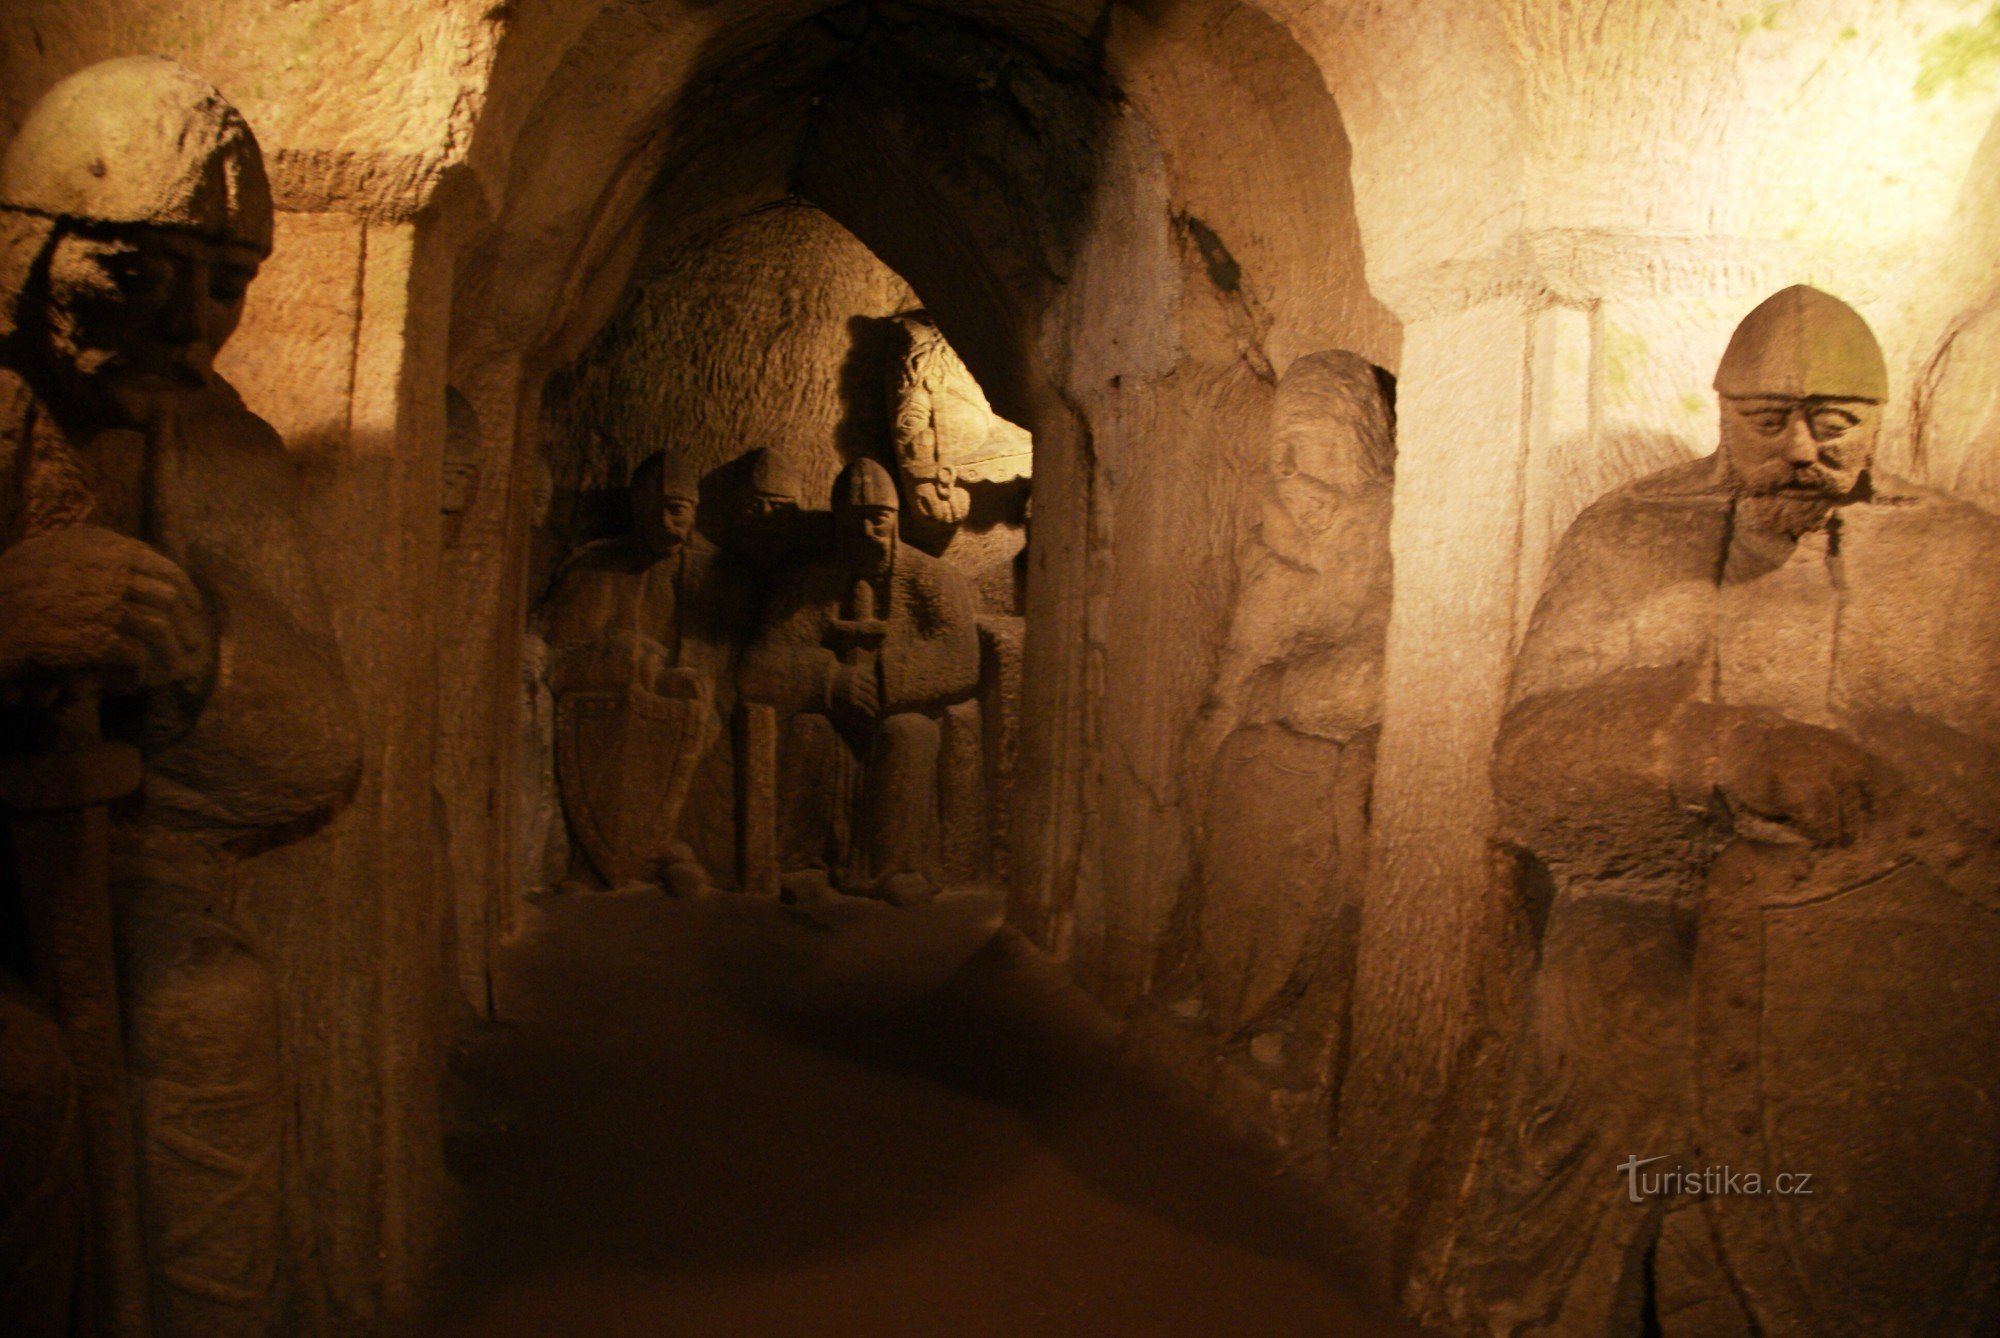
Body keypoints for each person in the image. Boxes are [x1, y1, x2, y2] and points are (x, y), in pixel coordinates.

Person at [1450, 286, 2000, 1335]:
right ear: (1722, 413)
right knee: (1622, 1051)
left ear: (1877, 421)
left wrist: (1906, 768)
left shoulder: (1962, 553)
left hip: (1890, 907)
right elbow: (1529, 755)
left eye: (1833, 425)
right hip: (1653, 891)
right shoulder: (1629, 533)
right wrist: (1720, 750)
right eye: (1767, 422)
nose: (1799, 451)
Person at [0, 57, 360, 1335]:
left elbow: (316, 753)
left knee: (206, 1021)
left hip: (125, 867)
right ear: (31, 247)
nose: (186, 325)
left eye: (224, 285)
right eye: (136, 272)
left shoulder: (222, 450)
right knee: (19, 1085)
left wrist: (202, 648)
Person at [740, 458, 980, 905]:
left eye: (878, 519)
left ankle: (897, 867)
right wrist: (830, 680)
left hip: (899, 710)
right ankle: (804, 862)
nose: (868, 532)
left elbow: (960, 657)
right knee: (808, 730)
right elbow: (760, 662)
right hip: (829, 712)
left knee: (908, 733)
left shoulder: (934, 578)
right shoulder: (809, 581)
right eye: (854, 521)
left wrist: (884, 679)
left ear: (895, 521)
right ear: (838, 524)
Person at [543, 450, 733, 895]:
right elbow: (561, 656)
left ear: (694, 511)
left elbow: (718, 658)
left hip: (683, 707)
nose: (665, 522)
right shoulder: (595, 566)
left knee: (702, 720)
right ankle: (592, 854)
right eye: (654, 511)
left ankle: (665, 846)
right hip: (603, 703)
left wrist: (683, 677)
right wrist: (620, 659)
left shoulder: (712, 572)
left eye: (676, 510)